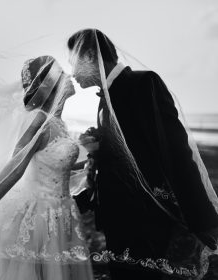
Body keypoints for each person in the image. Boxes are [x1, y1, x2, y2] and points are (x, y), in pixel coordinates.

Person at [68, 28, 218, 280]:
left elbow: (175, 151)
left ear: (91, 55)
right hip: (118, 218)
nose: (72, 73)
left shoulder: (143, 84)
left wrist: (201, 218)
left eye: (73, 62)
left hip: (145, 220)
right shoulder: (104, 98)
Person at [0, 56, 94, 280]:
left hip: (62, 212)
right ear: (48, 84)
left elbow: (52, 167)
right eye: (62, 73)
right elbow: (15, 167)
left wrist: (90, 162)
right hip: (38, 216)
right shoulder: (39, 121)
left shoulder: (59, 124)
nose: (69, 76)